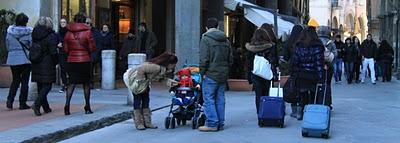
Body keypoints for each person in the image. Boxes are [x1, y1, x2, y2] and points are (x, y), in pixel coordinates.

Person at [124, 52, 178, 130]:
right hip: (136, 82)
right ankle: (139, 123)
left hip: (144, 83)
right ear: (169, 63)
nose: (174, 67)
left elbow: (159, 78)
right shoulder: (156, 67)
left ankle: (147, 123)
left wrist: (170, 82)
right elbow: (141, 69)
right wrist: (141, 82)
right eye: (173, 64)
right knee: (138, 101)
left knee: (146, 101)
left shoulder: (162, 69)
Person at [199, 17, 233, 132]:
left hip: (210, 74)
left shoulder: (205, 39)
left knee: (209, 99)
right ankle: (220, 123)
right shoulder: (226, 40)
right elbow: (231, 59)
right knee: (220, 98)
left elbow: (204, 59)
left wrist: (202, 73)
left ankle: (212, 123)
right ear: (218, 27)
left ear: (206, 27)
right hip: (223, 74)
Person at [63, 12, 97, 115]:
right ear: (84, 20)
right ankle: (87, 106)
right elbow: (92, 48)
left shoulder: (68, 33)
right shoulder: (88, 32)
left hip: (72, 60)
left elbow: (65, 49)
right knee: (86, 84)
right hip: (84, 60)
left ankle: (67, 105)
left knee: (71, 83)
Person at [292, 27, 325, 120]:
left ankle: (301, 113)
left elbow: (295, 62)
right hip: (313, 75)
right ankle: (311, 115)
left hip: (302, 75)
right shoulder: (318, 46)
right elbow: (319, 64)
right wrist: (321, 77)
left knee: (303, 95)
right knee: (314, 96)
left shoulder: (298, 46)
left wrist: (296, 73)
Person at [245, 27, 278, 117]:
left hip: (255, 73)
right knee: (267, 93)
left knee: (258, 94)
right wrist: (275, 74)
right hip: (267, 73)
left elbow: (248, 63)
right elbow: (274, 61)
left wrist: (248, 76)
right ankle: (267, 112)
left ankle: (260, 113)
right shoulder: (271, 47)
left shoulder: (250, 48)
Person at [30, 17, 59, 116]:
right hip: (47, 62)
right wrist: (56, 61)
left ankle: (46, 108)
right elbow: (53, 51)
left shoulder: (34, 34)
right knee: (47, 85)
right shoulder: (51, 35)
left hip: (36, 61)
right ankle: (37, 104)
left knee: (40, 85)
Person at [5, 13, 32, 110]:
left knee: (15, 80)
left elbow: (7, 45)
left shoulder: (10, 32)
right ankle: (22, 103)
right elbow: (31, 45)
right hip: (25, 59)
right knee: (25, 82)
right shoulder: (28, 32)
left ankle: (10, 100)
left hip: (13, 58)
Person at [283, 25, 304, 118]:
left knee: (293, 89)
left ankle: (294, 111)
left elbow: (285, 57)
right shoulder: (304, 42)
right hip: (303, 69)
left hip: (293, 69)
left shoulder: (289, 42)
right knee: (302, 90)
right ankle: (301, 111)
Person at [317, 26, 336, 110]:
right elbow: (335, 55)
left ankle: (318, 101)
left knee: (318, 84)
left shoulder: (316, 41)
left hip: (318, 67)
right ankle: (327, 102)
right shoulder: (331, 43)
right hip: (328, 67)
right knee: (327, 84)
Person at [57, 17, 68, 93]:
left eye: (64, 22)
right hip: (61, 53)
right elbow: (55, 41)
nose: (62, 24)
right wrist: (57, 44)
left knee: (69, 68)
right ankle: (64, 84)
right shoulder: (58, 33)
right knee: (63, 69)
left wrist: (63, 44)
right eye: (61, 22)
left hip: (68, 52)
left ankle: (69, 83)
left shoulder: (69, 32)